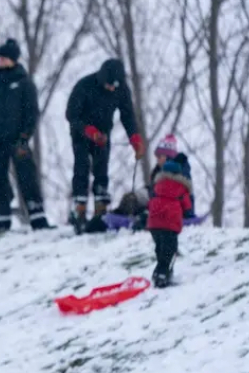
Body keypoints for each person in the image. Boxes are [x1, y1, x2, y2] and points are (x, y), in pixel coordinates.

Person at [0, 39, 50, 232]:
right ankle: (2, 221)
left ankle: (38, 218)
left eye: (4, 58)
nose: (0, 61)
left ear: (13, 59)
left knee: (27, 178)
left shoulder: (25, 84)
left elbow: (31, 112)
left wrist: (25, 136)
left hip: (17, 139)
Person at [66, 58, 145, 234]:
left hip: (103, 134)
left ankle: (100, 208)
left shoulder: (121, 90)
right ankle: (79, 209)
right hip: (81, 132)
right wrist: (90, 132)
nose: (111, 89)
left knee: (102, 168)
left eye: (114, 86)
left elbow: (128, 116)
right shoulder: (85, 85)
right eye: (109, 85)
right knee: (82, 166)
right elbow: (71, 114)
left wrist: (135, 139)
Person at [147, 154, 193, 288]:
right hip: (170, 224)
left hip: (154, 224)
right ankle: (162, 275)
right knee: (170, 250)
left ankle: (160, 273)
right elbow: (187, 207)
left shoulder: (157, 185)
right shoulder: (181, 187)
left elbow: (151, 202)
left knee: (160, 248)